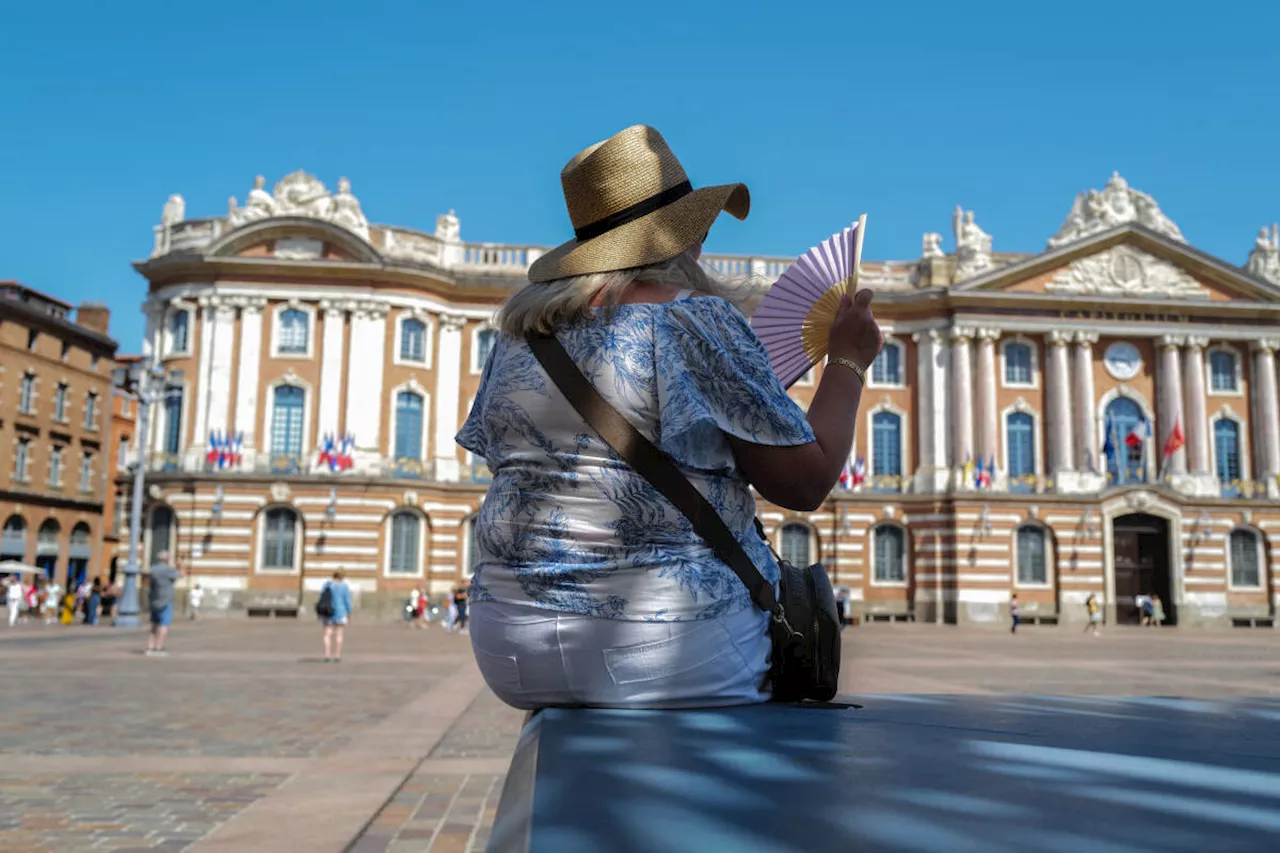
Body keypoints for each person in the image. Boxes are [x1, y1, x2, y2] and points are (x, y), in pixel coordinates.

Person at [456, 125, 882, 710]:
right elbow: (805, 483)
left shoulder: (520, 338)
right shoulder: (695, 321)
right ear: (686, 238)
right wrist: (848, 362)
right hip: (665, 646)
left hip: (507, 647)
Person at [145, 551, 182, 656]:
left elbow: (149, 582)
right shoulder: (168, 570)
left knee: (154, 624)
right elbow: (180, 575)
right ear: (166, 559)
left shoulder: (153, 570)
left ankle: (150, 646)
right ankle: (159, 647)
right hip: (166, 599)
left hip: (154, 600)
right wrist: (180, 565)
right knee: (164, 624)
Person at [319, 570, 353, 662]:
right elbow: (347, 601)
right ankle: (337, 655)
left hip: (328, 611)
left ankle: (327, 654)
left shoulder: (327, 585)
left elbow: (321, 598)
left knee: (327, 634)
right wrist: (349, 613)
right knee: (339, 634)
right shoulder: (344, 586)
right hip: (341, 612)